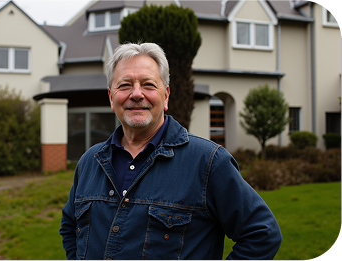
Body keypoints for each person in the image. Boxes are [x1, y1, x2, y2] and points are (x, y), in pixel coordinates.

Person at [60, 42, 282, 260]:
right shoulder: (90, 161)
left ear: (165, 96)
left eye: (148, 84)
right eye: (125, 85)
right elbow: (70, 226)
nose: (136, 94)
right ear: (111, 97)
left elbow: (263, 234)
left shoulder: (208, 162)